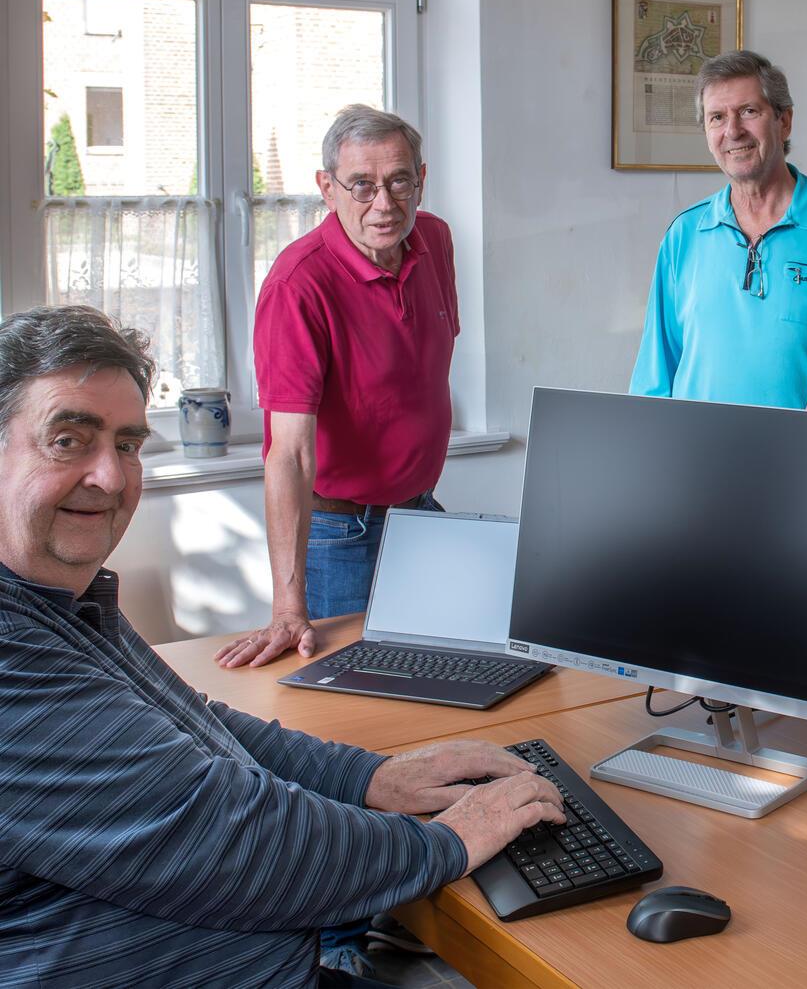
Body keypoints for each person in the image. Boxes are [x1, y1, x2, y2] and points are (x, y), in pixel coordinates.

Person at [0, 306, 564, 988]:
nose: (114, 478)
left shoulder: (56, 601)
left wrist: (372, 778)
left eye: (126, 444)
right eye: (68, 439)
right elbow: (232, 837)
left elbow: (198, 726)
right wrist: (446, 839)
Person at [218, 104, 458, 671]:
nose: (384, 204)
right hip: (340, 536)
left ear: (421, 179)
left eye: (400, 181)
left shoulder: (435, 241)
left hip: (422, 516)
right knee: (354, 712)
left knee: (454, 680)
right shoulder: (298, 285)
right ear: (327, 187)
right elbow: (290, 453)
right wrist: (287, 605)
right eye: (362, 185)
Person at [629, 50, 807, 408]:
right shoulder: (684, 233)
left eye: (748, 112)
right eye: (716, 117)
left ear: (785, 121)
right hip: (699, 456)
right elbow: (655, 374)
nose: (732, 131)